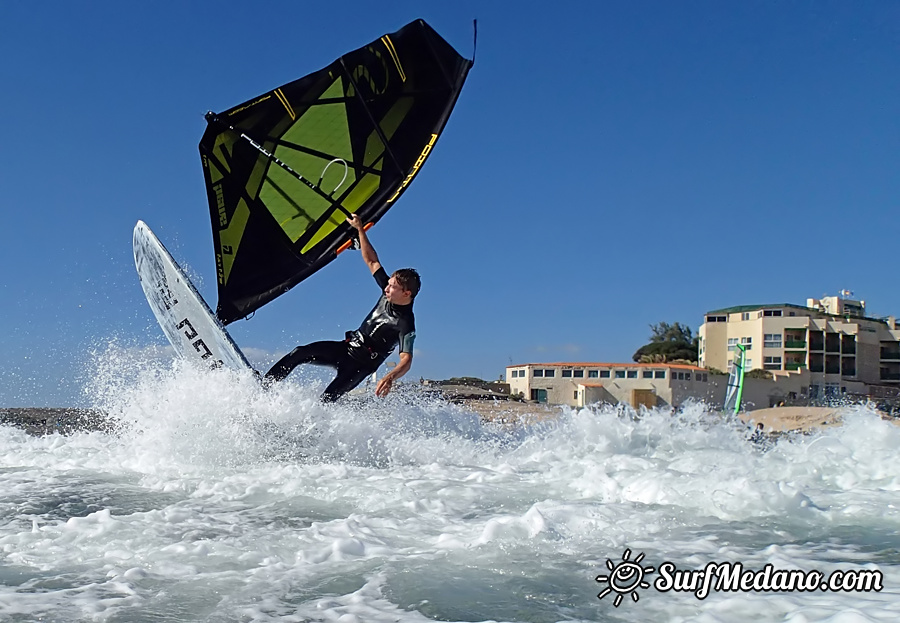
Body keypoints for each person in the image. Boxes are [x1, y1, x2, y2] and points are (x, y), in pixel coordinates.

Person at [264, 214, 418, 401]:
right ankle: (265, 386)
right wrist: (360, 229)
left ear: (406, 293)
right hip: (345, 349)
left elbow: (406, 360)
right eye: (389, 283)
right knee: (299, 352)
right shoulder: (387, 293)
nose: (386, 287)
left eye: (392, 286)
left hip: (360, 367)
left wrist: (389, 376)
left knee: (326, 401)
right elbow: (372, 261)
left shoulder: (405, 323)